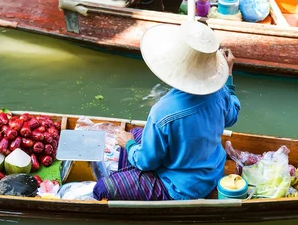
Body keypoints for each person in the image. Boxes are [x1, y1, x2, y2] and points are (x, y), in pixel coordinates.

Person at [92, 21, 241, 201]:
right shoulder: (220, 92)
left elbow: (147, 163)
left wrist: (129, 145)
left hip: (181, 188)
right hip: (213, 171)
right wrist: (229, 75)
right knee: (137, 133)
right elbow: (232, 116)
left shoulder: (162, 112)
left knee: (101, 189)